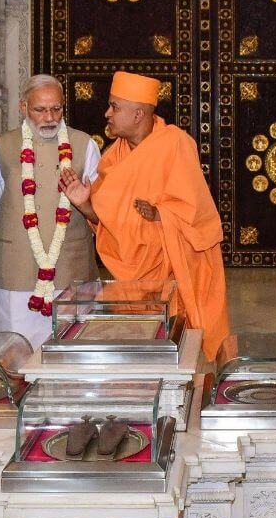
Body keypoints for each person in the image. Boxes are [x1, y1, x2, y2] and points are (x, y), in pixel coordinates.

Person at [60, 71, 231, 360]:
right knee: (143, 353)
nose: (107, 113)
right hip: (133, 281)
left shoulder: (175, 144)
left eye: (115, 106)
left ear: (138, 114)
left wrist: (162, 214)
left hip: (175, 271)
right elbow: (107, 221)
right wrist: (84, 204)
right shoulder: (114, 157)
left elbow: (201, 214)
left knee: (181, 352)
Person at [0, 75, 101, 347]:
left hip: (71, 267)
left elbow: (100, 209)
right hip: (16, 270)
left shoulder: (85, 145)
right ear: (23, 108)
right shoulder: (1, 146)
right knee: (13, 351)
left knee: (70, 351)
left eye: (56, 109)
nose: (49, 117)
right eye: (40, 109)